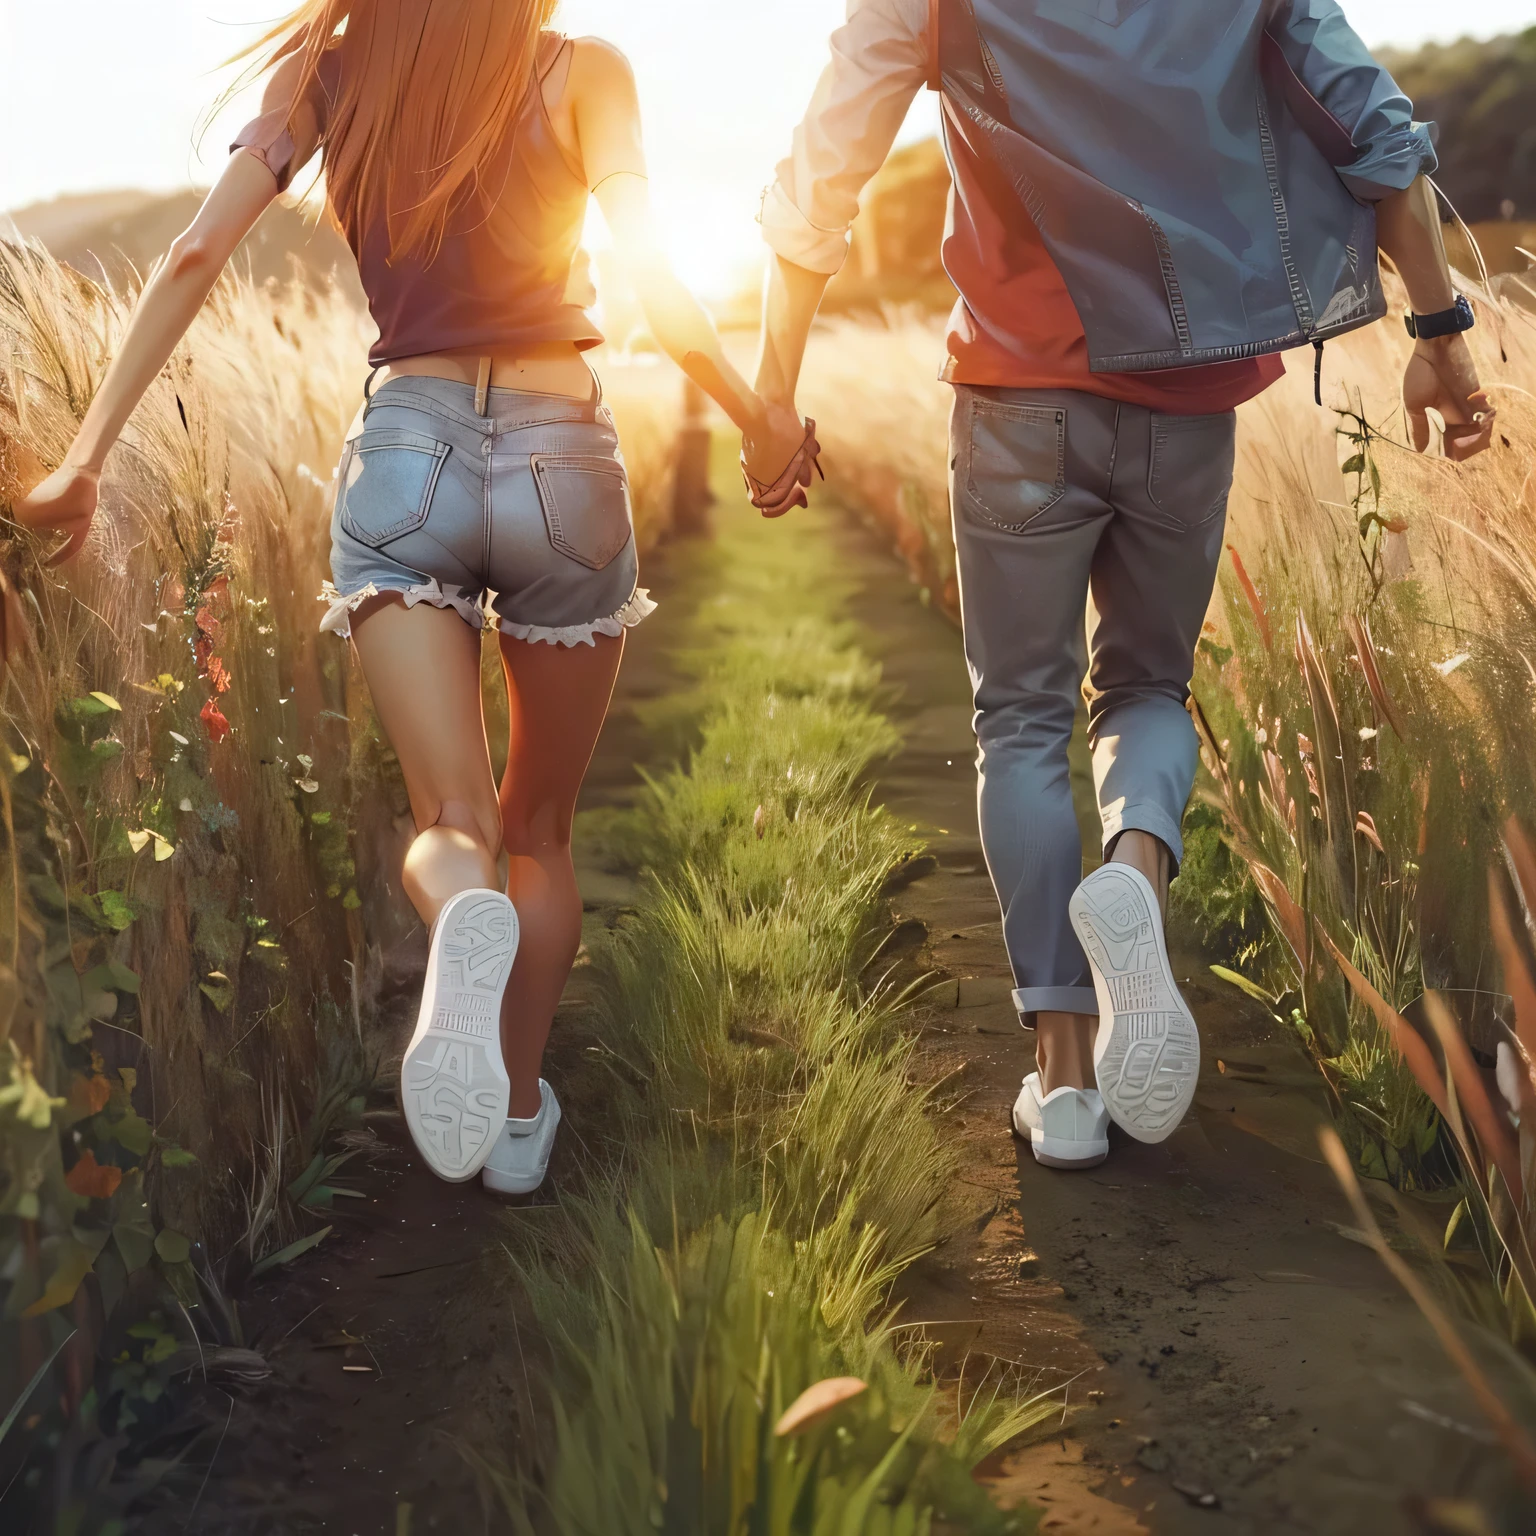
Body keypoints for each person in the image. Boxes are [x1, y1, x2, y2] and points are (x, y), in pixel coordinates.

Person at [16, 0, 807, 1195]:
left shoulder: (328, 73)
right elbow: (654, 282)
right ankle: (521, 1116)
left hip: (405, 456)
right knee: (538, 826)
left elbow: (193, 253)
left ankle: (457, 914)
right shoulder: (588, 70)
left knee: (453, 819)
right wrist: (760, 420)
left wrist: (82, 455)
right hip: (562, 457)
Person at [744, 0, 1496, 1168]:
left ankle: (1065, 1083)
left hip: (1015, 405)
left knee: (1022, 719)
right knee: (1147, 689)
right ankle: (1134, 868)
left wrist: (773, 391)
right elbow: (1380, 130)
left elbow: (823, 169)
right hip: (1187, 409)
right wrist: (1441, 328)